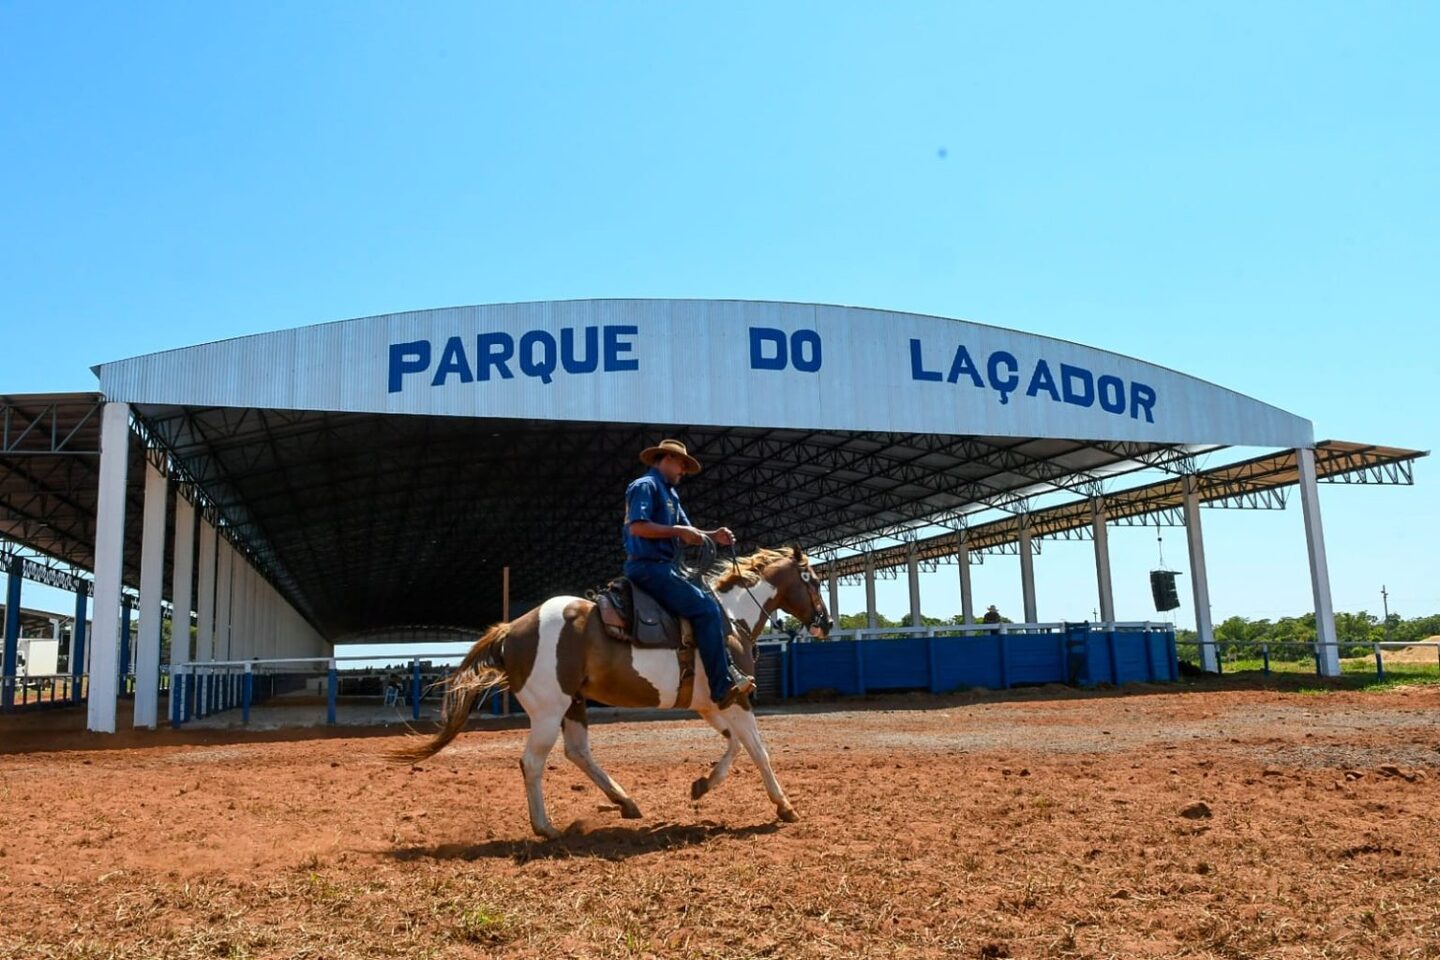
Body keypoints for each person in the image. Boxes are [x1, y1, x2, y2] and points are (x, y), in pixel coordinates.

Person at [623, 438, 755, 708]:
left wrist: (713, 536)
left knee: (710, 601)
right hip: (648, 567)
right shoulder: (645, 486)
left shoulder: (671, 494)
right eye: (681, 465)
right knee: (705, 609)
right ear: (667, 459)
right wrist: (677, 532)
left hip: (666, 567)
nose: (683, 471)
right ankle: (720, 686)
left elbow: (690, 534)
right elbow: (637, 527)